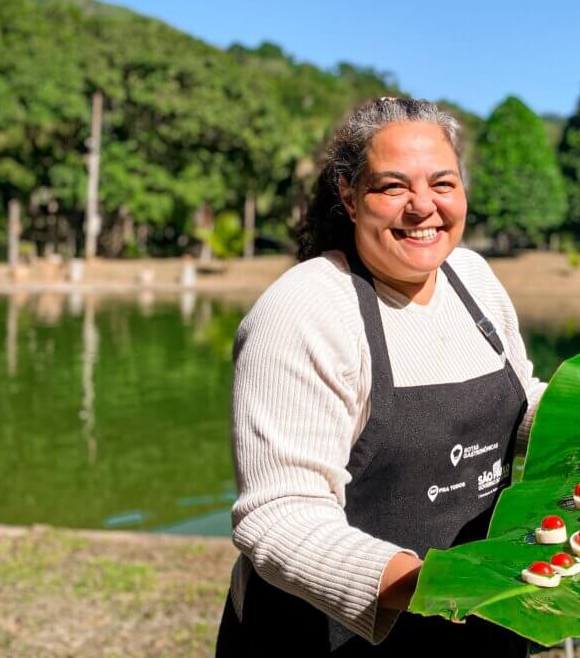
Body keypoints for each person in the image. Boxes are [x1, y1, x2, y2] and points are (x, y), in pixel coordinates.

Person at [215, 97, 547, 656]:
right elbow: (278, 516)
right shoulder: (306, 310)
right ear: (348, 195)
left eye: (443, 183)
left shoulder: (473, 278)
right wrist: (432, 586)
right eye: (393, 187)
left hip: (479, 617)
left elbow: (521, 403)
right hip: (327, 635)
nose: (423, 207)